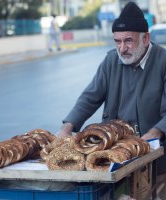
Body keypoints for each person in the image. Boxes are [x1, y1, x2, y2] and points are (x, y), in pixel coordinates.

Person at [57, 2, 166, 199]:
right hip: (117, 155)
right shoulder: (111, 61)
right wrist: (67, 126)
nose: (122, 48)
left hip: (157, 158)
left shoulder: (163, 61)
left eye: (128, 41)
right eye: (117, 41)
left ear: (146, 38)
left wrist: (154, 133)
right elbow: (90, 97)